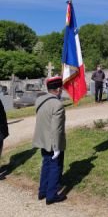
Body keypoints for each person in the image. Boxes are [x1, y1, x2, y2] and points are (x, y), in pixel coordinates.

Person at [32, 76, 67, 205]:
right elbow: (57, 128)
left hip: (43, 140)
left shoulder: (40, 100)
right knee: (55, 167)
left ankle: (42, 191)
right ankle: (51, 195)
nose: (62, 91)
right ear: (58, 89)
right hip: (53, 142)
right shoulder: (57, 104)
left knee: (46, 165)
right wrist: (57, 147)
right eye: (61, 89)